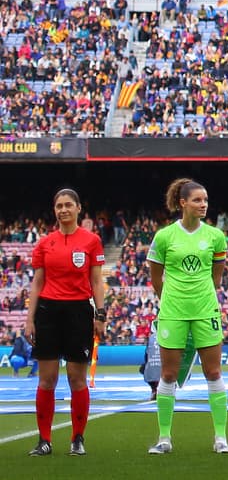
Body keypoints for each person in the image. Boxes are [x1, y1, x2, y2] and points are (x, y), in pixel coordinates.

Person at [146, 178, 228, 454]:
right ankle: (164, 438)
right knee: (168, 375)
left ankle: (220, 439)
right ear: (182, 203)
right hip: (173, 312)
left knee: (213, 372)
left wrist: (201, 299)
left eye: (205, 200)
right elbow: (156, 278)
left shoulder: (216, 237)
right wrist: (172, 302)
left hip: (206, 310)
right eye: (197, 200)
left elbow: (216, 278)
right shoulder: (164, 237)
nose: (203, 204)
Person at [25, 188, 105, 456]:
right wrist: (29, 320)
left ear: (79, 208)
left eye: (68, 205)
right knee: (46, 380)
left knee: (77, 379)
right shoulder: (45, 243)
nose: (63, 210)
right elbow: (37, 283)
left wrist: (100, 314)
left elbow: (96, 281)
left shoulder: (92, 241)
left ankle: (77, 438)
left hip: (79, 312)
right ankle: (44, 440)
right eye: (59, 205)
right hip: (48, 312)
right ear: (55, 210)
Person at [141, 330, 161, 399]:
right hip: (167, 368)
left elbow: (146, 357)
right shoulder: (170, 336)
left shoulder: (151, 338)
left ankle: (154, 389)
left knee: (143, 368)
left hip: (152, 367)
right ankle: (171, 390)